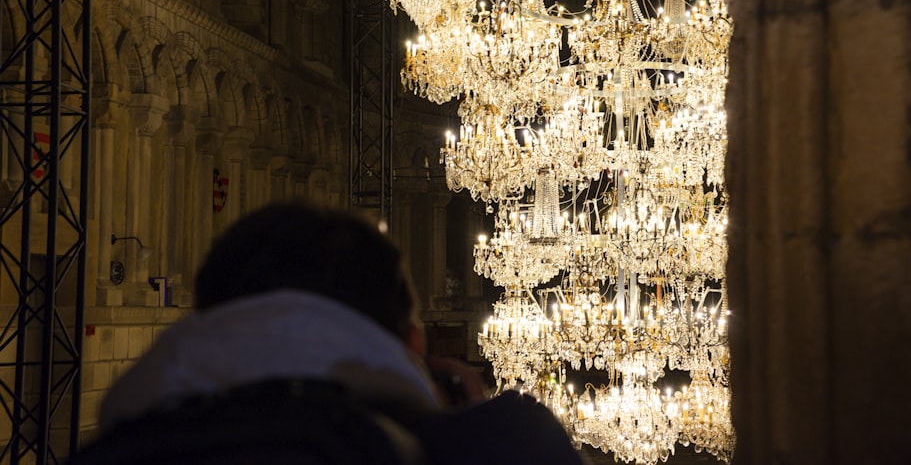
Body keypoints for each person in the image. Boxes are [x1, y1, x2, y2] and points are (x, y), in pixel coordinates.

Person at [80, 202, 585, 465]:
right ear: (412, 343)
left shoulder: (102, 458)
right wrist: (469, 431)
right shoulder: (504, 449)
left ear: (208, 319)